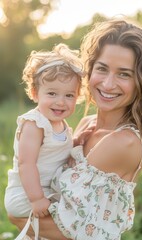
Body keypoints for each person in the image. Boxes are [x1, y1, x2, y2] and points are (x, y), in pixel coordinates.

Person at [9, 17, 142, 240]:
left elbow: (73, 231)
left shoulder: (123, 142)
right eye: (102, 69)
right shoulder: (87, 124)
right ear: (90, 70)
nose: (107, 84)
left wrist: (17, 218)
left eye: (124, 74)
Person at [4, 43, 85, 220]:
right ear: (35, 93)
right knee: (71, 220)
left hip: (47, 191)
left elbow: (57, 150)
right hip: (26, 194)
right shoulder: (35, 124)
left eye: (69, 95)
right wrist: (37, 199)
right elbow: (26, 164)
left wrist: (79, 139)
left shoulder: (61, 124)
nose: (61, 102)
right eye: (52, 94)